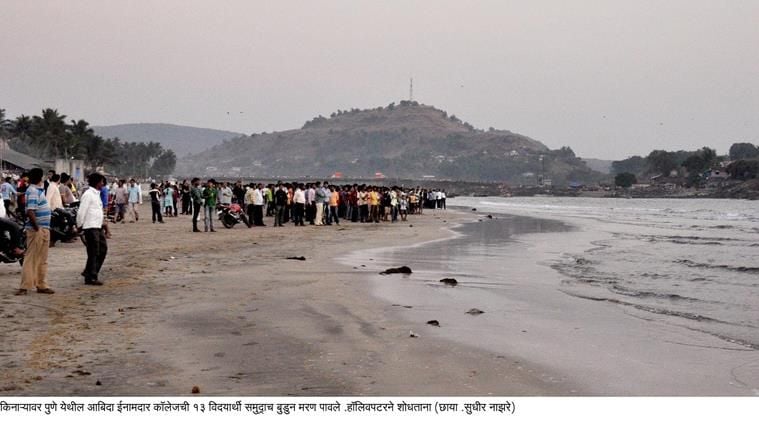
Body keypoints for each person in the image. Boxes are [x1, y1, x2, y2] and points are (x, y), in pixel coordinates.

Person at [15, 168, 54, 295]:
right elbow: (30, 211)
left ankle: (41, 284)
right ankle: (25, 286)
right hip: (37, 229)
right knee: (31, 257)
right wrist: (37, 227)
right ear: (41, 178)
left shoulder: (36, 190)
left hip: (43, 228)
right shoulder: (32, 191)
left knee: (43, 258)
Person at [77, 172, 111, 286]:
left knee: (102, 249)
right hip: (90, 227)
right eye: (101, 182)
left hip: (98, 226)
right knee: (93, 252)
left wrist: (105, 226)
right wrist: (79, 225)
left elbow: (98, 212)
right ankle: (91, 276)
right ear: (97, 182)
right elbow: (82, 211)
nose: (103, 184)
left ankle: (90, 271)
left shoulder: (97, 194)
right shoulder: (88, 194)